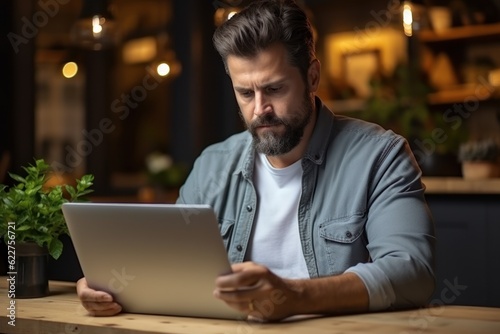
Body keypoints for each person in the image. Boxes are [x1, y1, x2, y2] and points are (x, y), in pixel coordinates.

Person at [77, 0, 436, 321]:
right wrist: (108, 282)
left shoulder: (381, 156)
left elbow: (412, 272)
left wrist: (295, 297)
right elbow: (168, 265)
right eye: (245, 93)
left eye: (275, 89)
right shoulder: (212, 165)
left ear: (312, 76)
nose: (260, 109)